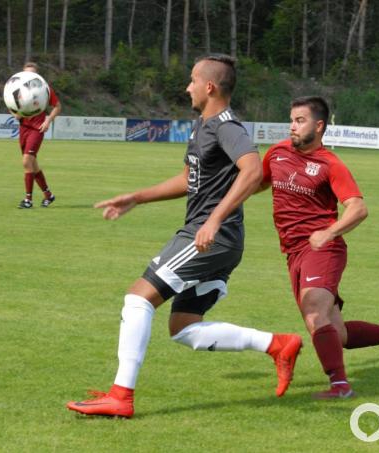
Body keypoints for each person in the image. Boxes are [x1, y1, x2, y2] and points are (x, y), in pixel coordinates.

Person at [66, 54, 303, 418]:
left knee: (138, 299)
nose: (187, 86)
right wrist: (137, 197)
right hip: (218, 239)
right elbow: (187, 180)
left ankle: (120, 396)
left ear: (210, 87)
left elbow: (253, 170)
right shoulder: (203, 125)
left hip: (209, 236)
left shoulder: (226, 125)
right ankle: (277, 345)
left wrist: (214, 220)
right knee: (184, 327)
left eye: (192, 80)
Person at [259, 96, 379, 400]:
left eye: (300, 120)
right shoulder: (277, 152)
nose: (292, 126)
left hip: (323, 250)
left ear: (319, 125)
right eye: (291, 120)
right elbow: (257, 182)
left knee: (313, 311)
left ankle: (340, 386)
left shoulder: (330, 164)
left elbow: (358, 208)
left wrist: (329, 232)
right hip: (293, 252)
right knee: (337, 334)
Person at [12, 62, 61, 208]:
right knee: (33, 165)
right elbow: (11, 105)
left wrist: (48, 121)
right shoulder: (17, 90)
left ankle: (28, 200)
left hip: (37, 129)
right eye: (27, 74)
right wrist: (16, 114)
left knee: (27, 161)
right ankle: (48, 195)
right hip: (24, 129)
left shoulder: (44, 90)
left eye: (32, 74)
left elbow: (58, 106)